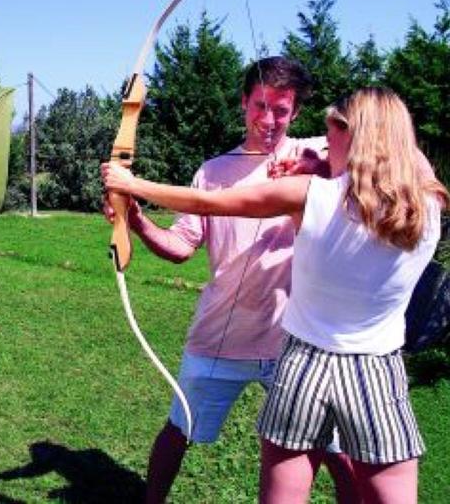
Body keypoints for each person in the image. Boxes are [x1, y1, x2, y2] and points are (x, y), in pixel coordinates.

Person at [102, 87, 448, 503]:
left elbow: (208, 203)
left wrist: (130, 183)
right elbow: (404, 161)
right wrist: (324, 162)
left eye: (328, 131)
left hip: (301, 361)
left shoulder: (311, 193)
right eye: (260, 106)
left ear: (346, 132)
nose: (269, 120)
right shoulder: (428, 202)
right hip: (374, 369)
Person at [104, 56, 356, 503]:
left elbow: (372, 161)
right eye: (260, 105)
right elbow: (181, 247)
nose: (269, 120)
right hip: (221, 335)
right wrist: (138, 222)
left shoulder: (319, 160)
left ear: (295, 113)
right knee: (178, 430)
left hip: (296, 344)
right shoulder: (214, 173)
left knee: (335, 446)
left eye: (281, 110)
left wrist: (316, 170)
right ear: (244, 103)